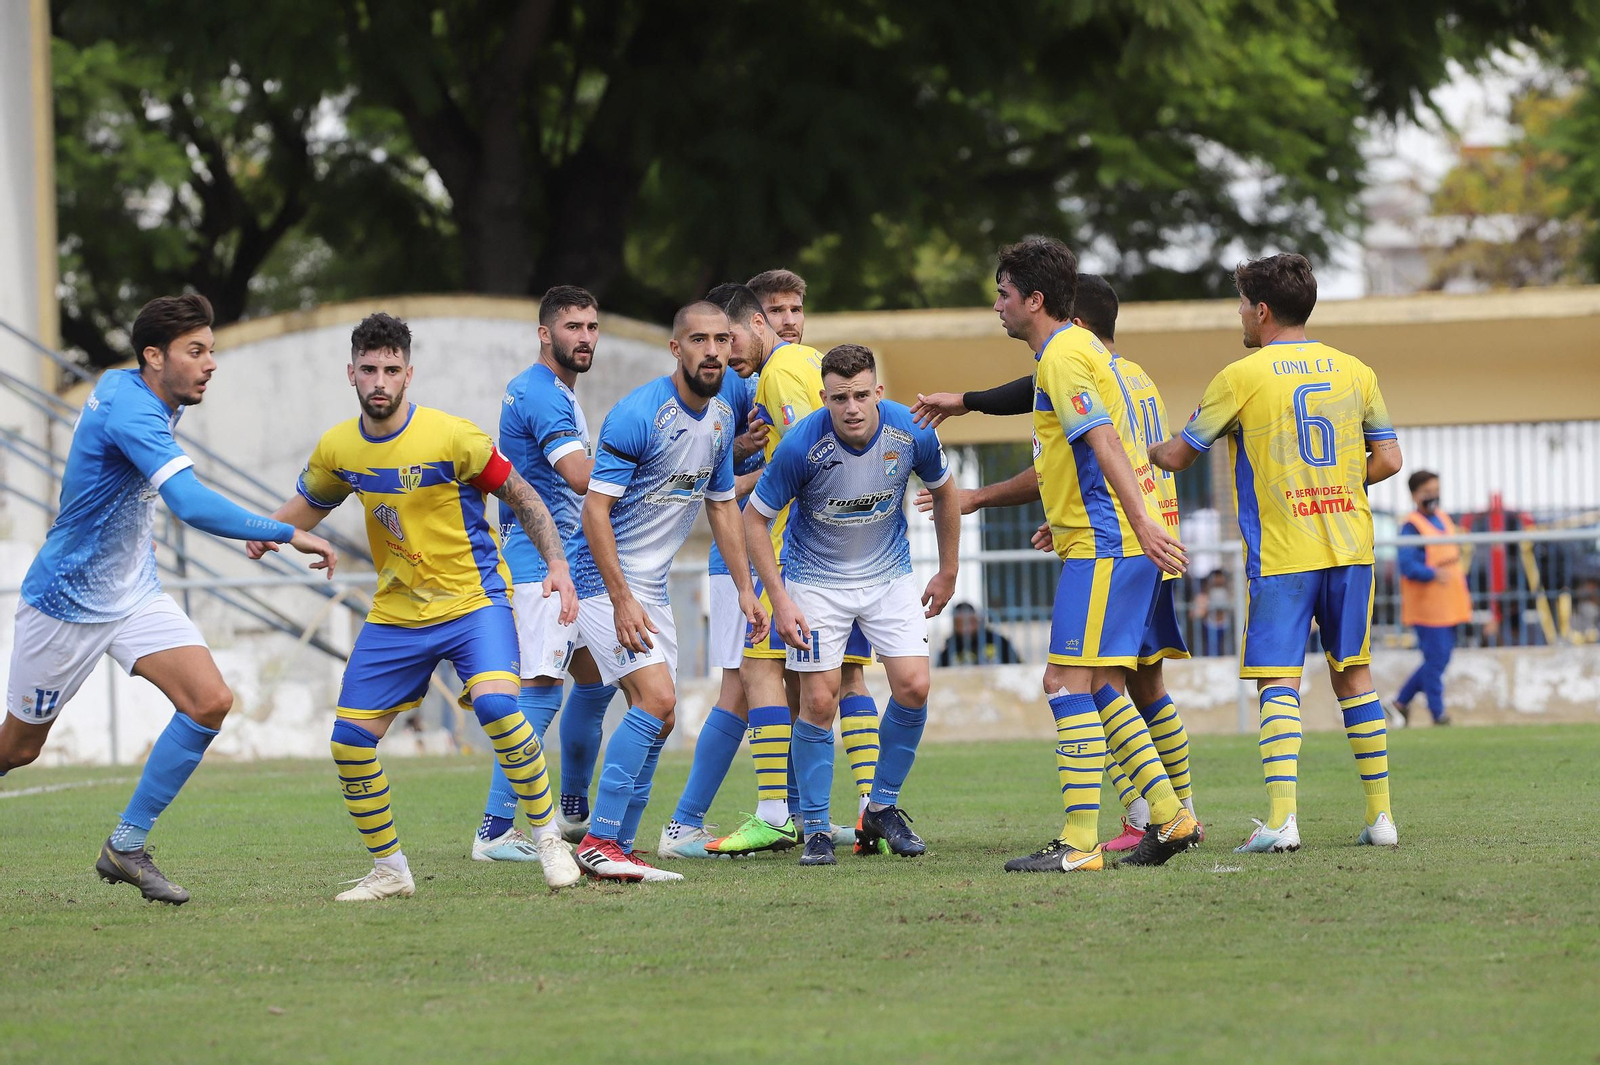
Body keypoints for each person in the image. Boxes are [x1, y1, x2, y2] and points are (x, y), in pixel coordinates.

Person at [1, 293, 336, 905]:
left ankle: (125, 846)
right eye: (196, 351)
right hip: (65, 602)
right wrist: (286, 531)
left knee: (209, 700)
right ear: (153, 356)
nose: (211, 363)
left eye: (212, 350)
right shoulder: (131, 409)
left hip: (131, 595)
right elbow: (191, 504)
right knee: (18, 748)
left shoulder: (136, 389)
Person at [250, 312, 582, 899]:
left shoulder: (454, 437)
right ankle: (390, 872)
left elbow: (521, 494)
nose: (380, 380)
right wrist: (259, 531)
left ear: (409, 374)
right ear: (350, 373)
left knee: (499, 708)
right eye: (370, 369)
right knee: (349, 743)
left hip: (473, 602)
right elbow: (299, 509)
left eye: (392, 370)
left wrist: (555, 562)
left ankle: (549, 840)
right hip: (397, 613)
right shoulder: (339, 447)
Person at [912, 272, 1201, 859]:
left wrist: (1138, 521)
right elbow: (1077, 448)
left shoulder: (1066, 355)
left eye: (1003, 294)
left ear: (1037, 301)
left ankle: (1080, 841)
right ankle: (1172, 817)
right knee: (1109, 684)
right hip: (1116, 536)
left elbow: (1102, 444)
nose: (996, 306)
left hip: (1111, 541)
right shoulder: (1099, 358)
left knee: (1066, 682)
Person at [1149, 252, 1405, 853]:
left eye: (1241, 304)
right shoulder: (1355, 371)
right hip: (1351, 545)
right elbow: (1390, 459)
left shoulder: (1241, 376)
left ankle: (1283, 821)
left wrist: (1140, 452)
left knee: (1278, 683)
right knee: (1355, 677)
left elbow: (1181, 455)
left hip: (1285, 552)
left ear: (1261, 310)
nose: (1239, 315)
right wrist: (1340, 484)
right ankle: (1382, 819)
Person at [569, 301, 767, 882]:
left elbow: (723, 505)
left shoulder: (723, 417)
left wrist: (745, 590)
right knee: (654, 702)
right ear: (675, 349)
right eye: (698, 340)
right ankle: (598, 841)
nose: (712, 351)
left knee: (658, 717)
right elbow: (595, 513)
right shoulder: (640, 415)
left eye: (721, 341)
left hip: (651, 586)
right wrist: (624, 598)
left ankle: (622, 843)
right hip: (605, 583)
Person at [746, 344, 959, 864]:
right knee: (819, 702)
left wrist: (949, 568)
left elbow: (946, 491)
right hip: (815, 584)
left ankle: (881, 808)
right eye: (840, 398)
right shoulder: (800, 444)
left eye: (862, 395)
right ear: (824, 397)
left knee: (914, 686)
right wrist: (780, 598)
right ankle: (816, 829)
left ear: (878, 393)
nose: (853, 408)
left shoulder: (912, 430)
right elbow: (754, 518)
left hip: (889, 578)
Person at [690, 276, 879, 858]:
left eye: (728, 338)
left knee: (759, 669)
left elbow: (809, 458)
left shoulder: (783, 369)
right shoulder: (804, 366)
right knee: (840, 680)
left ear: (752, 325)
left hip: (800, 553)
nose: (723, 354)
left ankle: (775, 815)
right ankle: (874, 811)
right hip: (849, 552)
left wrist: (733, 490)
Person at [478, 286, 618, 861]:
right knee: (538, 692)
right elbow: (582, 477)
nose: (584, 337)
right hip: (540, 566)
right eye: (572, 327)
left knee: (597, 681)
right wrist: (654, 455)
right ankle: (493, 832)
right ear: (545, 333)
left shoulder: (553, 390)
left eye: (591, 326)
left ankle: (573, 811)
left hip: (569, 564)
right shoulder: (541, 394)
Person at [654, 282, 781, 859]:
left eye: (794, 311)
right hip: (737, 562)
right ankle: (683, 822)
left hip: (788, 561)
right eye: (773, 313)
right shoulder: (723, 383)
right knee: (740, 688)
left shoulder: (780, 380)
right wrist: (753, 461)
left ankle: (796, 815)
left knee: (793, 689)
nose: (785, 323)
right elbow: (710, 480)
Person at [1391, 469, 1472, 727]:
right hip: (1428, 607)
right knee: (1436, 661)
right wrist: (1432, 574)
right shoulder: (1411, 527)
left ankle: (1400, 703)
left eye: (1435, 491)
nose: (1433, 497)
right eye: (1427, 493)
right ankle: (1438, 714)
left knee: (1439, 660)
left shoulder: (1443, 519)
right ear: (1415, 495)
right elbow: (1407, 565)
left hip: (1451, 604)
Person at [936, 603, 1022, 667]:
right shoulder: (951, 647)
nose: (967, 628)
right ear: (955, 625)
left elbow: (1017, 665)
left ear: (977, 620)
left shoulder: (996, 640)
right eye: (961, 624)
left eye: (970, 622)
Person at [1190, 569, 1235, 656]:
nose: (1218, 592)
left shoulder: (1233, 624)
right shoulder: (1201, 600)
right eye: (1215, 586)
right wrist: (1202, 608)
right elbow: (1192, 619)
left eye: (1221, 586)